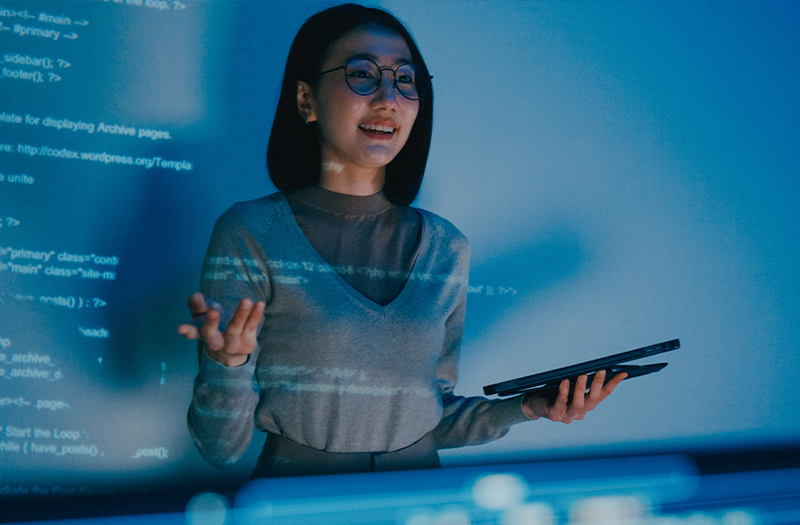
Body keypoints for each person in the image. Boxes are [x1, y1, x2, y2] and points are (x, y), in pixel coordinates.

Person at [177, 3, 626, 478]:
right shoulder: (252, 232)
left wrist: (530, 406)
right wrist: (227, 363)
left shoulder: (447, 247)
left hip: (419, 500)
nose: (388, 98)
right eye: (362, 74)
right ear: (306, 100)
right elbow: (220, 448)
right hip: (303, 500)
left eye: (405, 79)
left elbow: (432, 417)